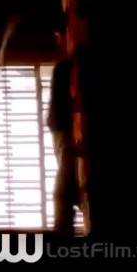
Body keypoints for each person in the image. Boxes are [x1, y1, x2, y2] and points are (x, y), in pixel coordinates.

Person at [47, 25, 79, 235]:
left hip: (64, 127)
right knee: (66, 180)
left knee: (66, 183)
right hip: (62, 127)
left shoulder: (67, 67)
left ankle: (63, 228)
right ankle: (62, 227)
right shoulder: (65, 67)